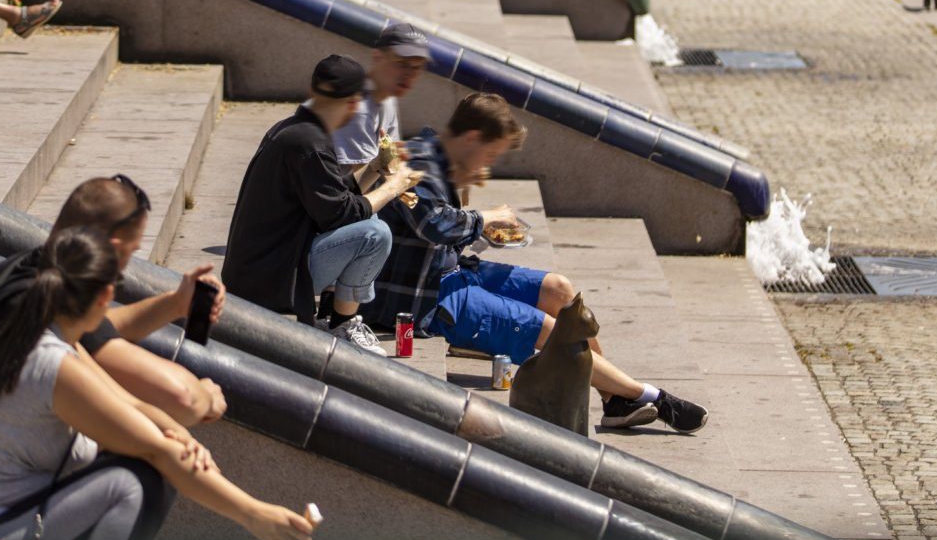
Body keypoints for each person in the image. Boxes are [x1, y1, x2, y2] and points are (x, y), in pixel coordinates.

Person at [0, 226, 315, 540]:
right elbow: (158, 453)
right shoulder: (52, 365)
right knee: (139, 482)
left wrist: (175, 431)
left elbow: (127, 404)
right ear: (105, 296)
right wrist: (255, 514)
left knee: (142, 459)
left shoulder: (40, 335)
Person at [370, 94, 709, 434]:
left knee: (559, 290)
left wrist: (476, 217)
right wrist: (487, 217)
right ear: (472, 138)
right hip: (426, 300)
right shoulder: (415, 161)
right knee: (548, 329)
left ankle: (613, 398)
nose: (489, 164)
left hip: (453, 271)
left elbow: (442, 234)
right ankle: (648, 395)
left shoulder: (441, 157)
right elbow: (435, 225)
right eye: (490, 154)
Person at [0, 176, 230, 477]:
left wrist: (175, 304)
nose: (123, 271)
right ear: (110, 248)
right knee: (143, 469)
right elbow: (180, 398)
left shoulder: (33, 274)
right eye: (130, 253)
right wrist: (207, 396)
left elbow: (99, 331)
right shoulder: (26, 307)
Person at [221, 55, 422, 354]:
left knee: (368, 222)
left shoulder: (294, 130)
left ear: (313, 90)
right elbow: (342, 214)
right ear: (354, 104)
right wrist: (394, 187)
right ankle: (342, 323)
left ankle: (335, 317)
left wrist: (375, 168)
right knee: (375, 233)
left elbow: (333, 198)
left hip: (256, 271)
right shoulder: (310, 143)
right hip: (271, 279)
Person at [331, 24, 430, 189]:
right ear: (377, 57)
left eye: (417, 67)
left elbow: (391, 162)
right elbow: (350, 192)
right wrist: (387, 162)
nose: (410, 74)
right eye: (401, 63)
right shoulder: (358, 109)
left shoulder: (387, 96)